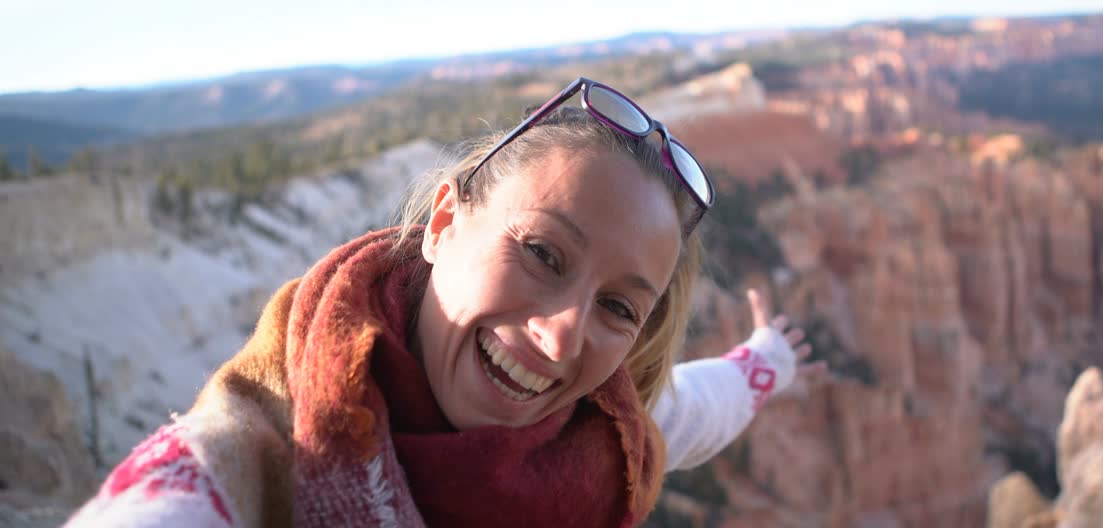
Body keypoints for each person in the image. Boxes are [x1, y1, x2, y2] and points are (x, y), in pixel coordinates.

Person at [66, 77, 824, 528]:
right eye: (542, 254)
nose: (563, 341)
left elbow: (694, 404)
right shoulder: (257, 447)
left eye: (619, 309)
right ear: (443, 222)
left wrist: (769, 361)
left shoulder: (604, 430)